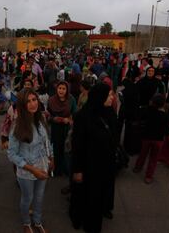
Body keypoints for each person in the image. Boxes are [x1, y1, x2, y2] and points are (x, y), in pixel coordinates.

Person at [70, 83, 118, 233]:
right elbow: (77, 145)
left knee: (99, 196)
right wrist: (77, 170)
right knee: (89, 196)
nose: (112, 97)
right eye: (109, 95)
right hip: (89, 166)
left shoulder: (109, 112)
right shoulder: (83, 117)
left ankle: (101, 212)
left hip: (105, 164)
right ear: (100, 98)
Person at [7, 88, 53, 233]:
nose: (33, 104)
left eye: (34, 100)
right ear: (22, 105)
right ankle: (27, 223)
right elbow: (12, 154)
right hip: (27, 171)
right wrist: (33, 170)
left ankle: (37, 221)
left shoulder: (42, 119)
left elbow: (47, 142)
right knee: (28, 198)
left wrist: (51, 158)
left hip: (43, 167)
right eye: (28, 101)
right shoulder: (17, 126)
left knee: (39, 198)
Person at [133, 94, 169, 183]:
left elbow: (140, 119)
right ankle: (148, 176)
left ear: (152, 103)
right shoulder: (166, 116)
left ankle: (138, 167)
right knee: (154, 158)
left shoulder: (147, 111)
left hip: (146, 137)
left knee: (142, 154)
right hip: (158, 140)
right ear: (163, 104)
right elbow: (168, 130)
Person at [47, 81, 76, 176]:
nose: (61, 90)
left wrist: (69, 119)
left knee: (67, 150)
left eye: (64, 88)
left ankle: (67, 169)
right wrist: (54, 119)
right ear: (56, 89)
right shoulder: (51, 100)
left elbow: (75, 113)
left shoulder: (71, 99)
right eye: (60, 88)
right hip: (55, 129)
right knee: (56, 149)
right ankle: (57, 169)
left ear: (67, 90)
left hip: (67, 129)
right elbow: (48, 116)